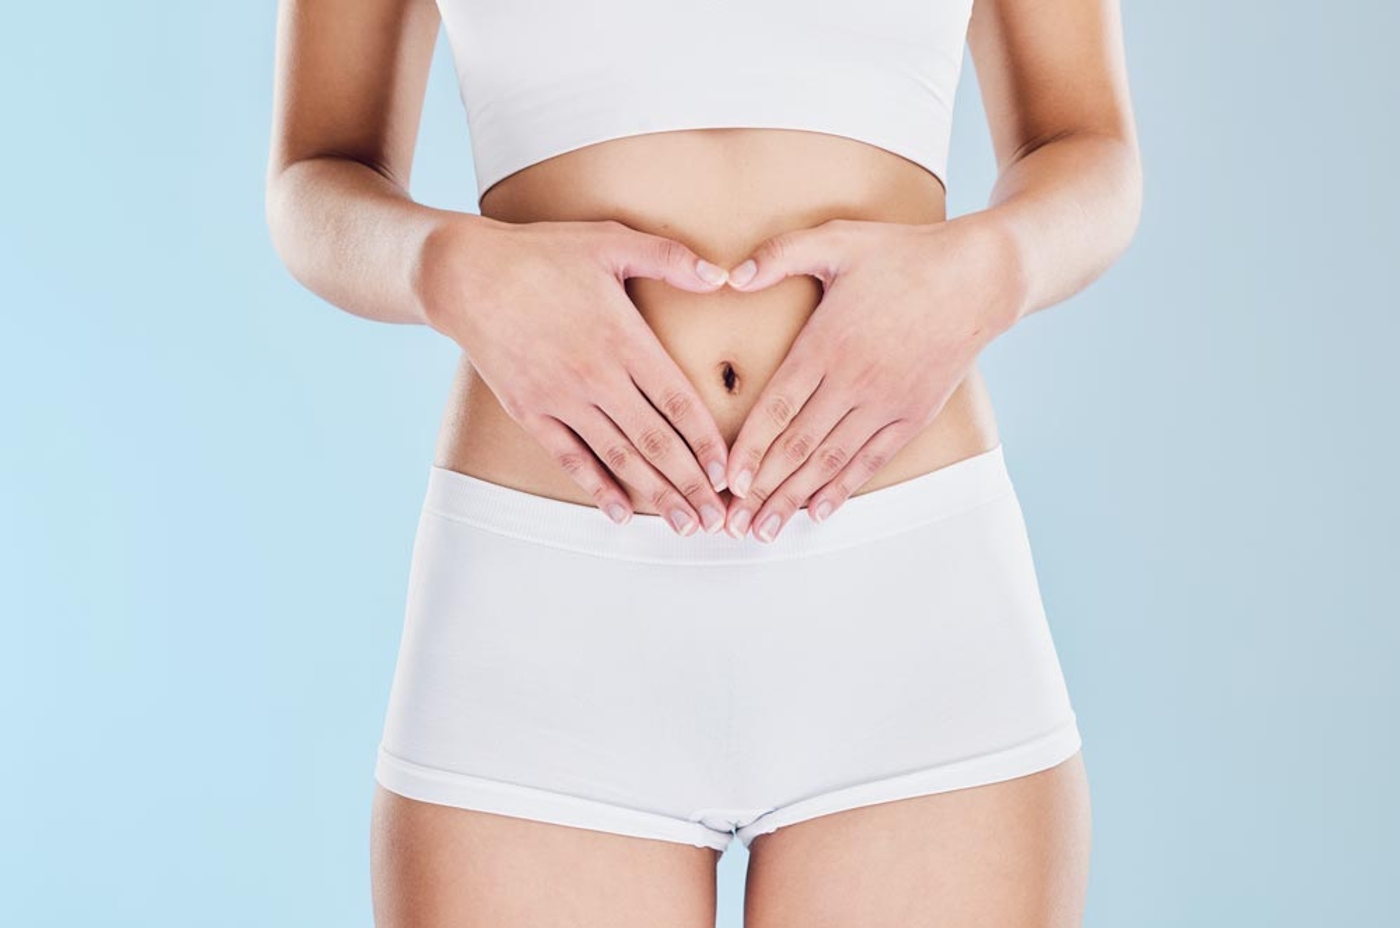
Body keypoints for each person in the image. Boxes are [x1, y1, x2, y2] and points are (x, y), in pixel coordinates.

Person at [265, 0, 1141, 924]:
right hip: (542, 617)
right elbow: (315, 175)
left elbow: (1086, 144)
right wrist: (442, 265)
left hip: (912, 596)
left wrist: (992, 265)